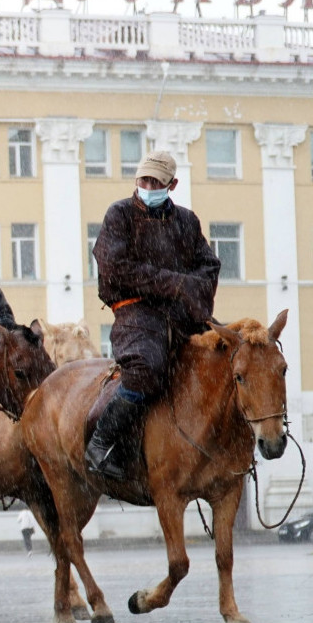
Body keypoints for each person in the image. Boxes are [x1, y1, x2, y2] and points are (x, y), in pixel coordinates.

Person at [86, 150, 221, 480]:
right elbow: (115, 268)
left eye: (155, 181)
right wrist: (177, 283)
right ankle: (101, 443)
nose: (147, 185)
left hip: (180, 314)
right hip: (134, 313)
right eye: (143, 180)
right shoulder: (119, 215)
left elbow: (210, 266)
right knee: (148, 367)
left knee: (230, 350)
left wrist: (191, 289)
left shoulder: (187, 221)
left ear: (171, 184)